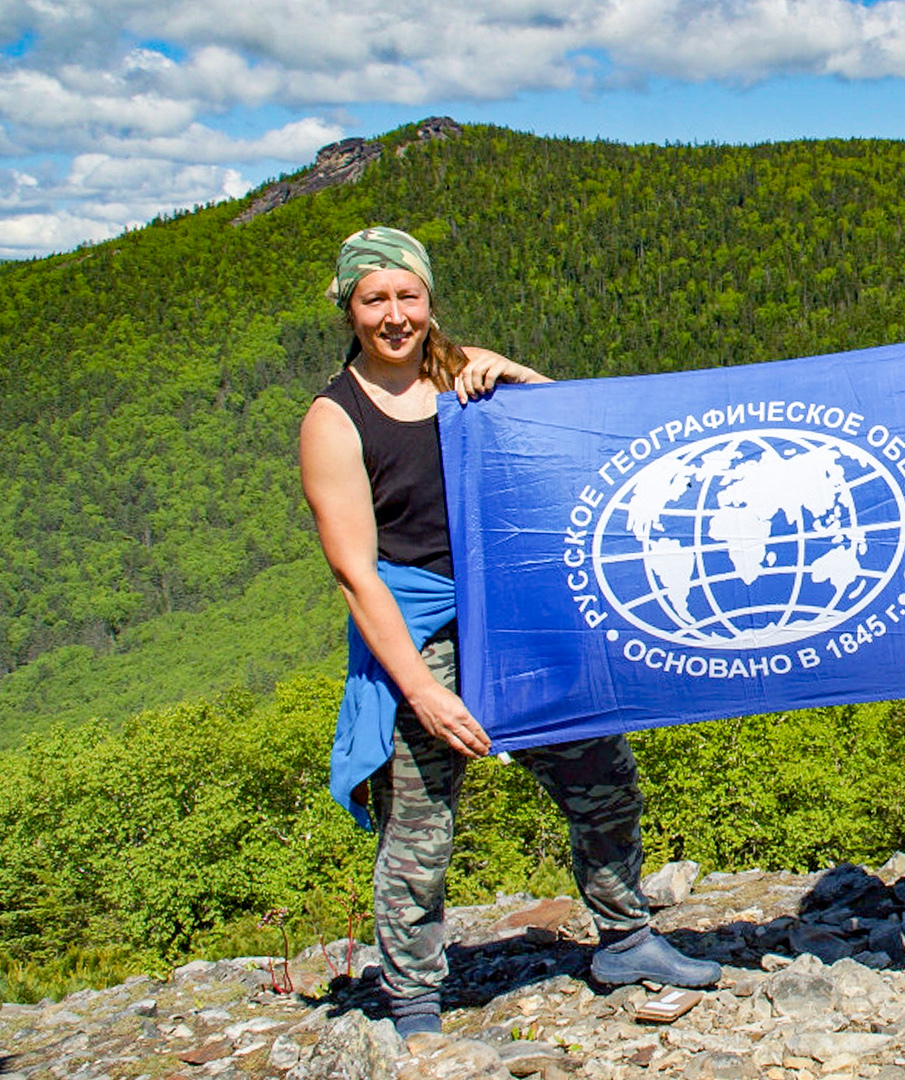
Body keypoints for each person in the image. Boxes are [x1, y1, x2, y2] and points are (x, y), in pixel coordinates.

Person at [298, 227, 719, 1036]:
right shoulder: (335, 418)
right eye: (375, 299)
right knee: (419, 830)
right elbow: (357, 573)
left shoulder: (463, 370)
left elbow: (575, 447)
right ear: (350, 309)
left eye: (407, 297)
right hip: (421, 634)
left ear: (429, 299)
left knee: (604, 781)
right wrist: (421, 691)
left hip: (523, 619)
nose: (395, 316)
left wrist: (520, 377)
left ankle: (626, 938)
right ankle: (414, 999)